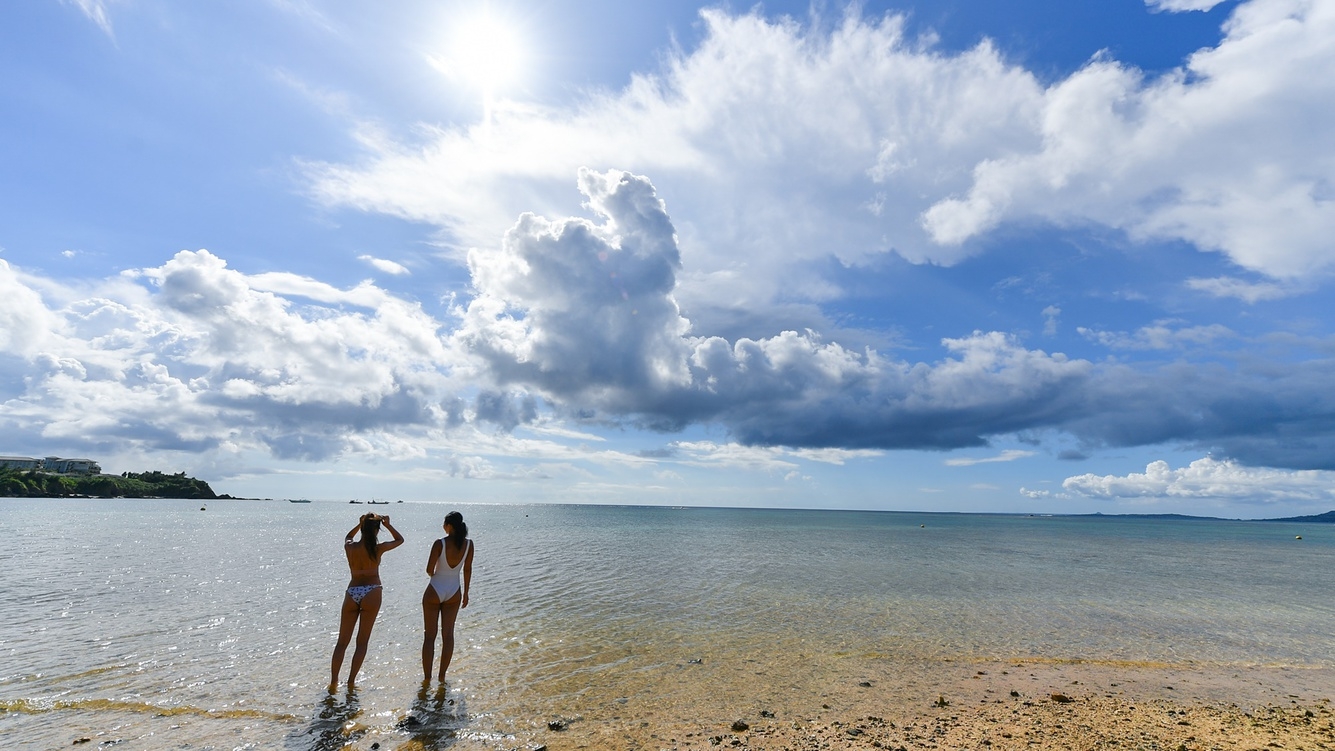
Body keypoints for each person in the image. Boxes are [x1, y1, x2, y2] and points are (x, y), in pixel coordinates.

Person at [329, 512, 404, 692]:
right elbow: (400, 540)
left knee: (342, 643)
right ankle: (351, 682)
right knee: (361, 643)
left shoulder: (351, 548)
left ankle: (333, 683)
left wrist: (359, 524)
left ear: (362, 529)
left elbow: (347, 537)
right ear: (377, 530)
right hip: (372, 591)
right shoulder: (377, 549)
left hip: (352, 591)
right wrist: (388, 525)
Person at [421, 511, 474, 683]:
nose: (443, 527)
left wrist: (434, 575)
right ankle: (442, 677)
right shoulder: (468, 545)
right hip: (454, 591)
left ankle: (427, 679)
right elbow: (467, 569)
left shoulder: (439, 543)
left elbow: (429, 569)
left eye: (444, 524)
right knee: (448, 635)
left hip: (435, 589)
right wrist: (466, 593)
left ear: (449, 526)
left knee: (429, 636)